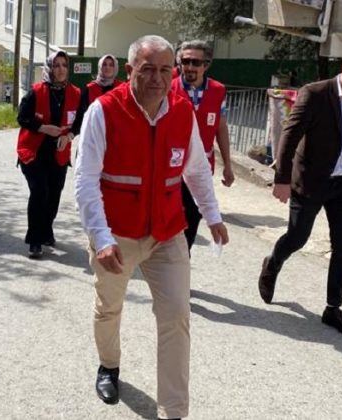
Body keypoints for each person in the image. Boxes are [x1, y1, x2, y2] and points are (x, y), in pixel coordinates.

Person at [75, 35, 229, 420]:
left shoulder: (182, 112)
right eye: (148, 70)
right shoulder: (103, 111)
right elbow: (85, 180)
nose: (157, 78)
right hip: (117, 235)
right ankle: (109, 365)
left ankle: (173, 411)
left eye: (164, 70)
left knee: (177, 314)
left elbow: (196, 169)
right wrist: (101, 237)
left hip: (166, 233)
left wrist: (212, 215)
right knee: (109, 307)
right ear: (130, 71)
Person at [258, 46, 342, 337]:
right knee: (297, 237)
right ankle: (273, 263)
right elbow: (290, 135)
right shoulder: (315, 94)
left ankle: (333, 308)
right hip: (312, 181)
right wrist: (282, 178)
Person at [171, 40, 235, 251]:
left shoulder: (218, 90)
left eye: (196, 62)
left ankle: (183, 256)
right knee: (172, 213)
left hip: (202, 165)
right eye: (185, 61)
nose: (189, 67)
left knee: (193, 214)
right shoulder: (168, 87)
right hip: (172, 164)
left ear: (206, 65)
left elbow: (221, 128)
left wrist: (228, 165)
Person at [16, 50, 81, 259]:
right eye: (56, 65)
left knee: (54, 195)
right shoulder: (36, 91)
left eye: (64, 65)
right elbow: (22, 117)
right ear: (49, 68)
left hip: (59, 153)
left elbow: (80, 121)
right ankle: (34, 240)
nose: (61, 69)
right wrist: (44, 128)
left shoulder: (76, 93)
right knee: (39, 192)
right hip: (33, 152)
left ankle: (46, 229)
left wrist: (69, 135)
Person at [75, 54, 123, 129]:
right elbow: (82, 116)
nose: (107, 67)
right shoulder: (89, 89)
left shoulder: (121, 88)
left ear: (115, 68)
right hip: (94, 130)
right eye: (104, 64)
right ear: (100, 67)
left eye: (111, 65)